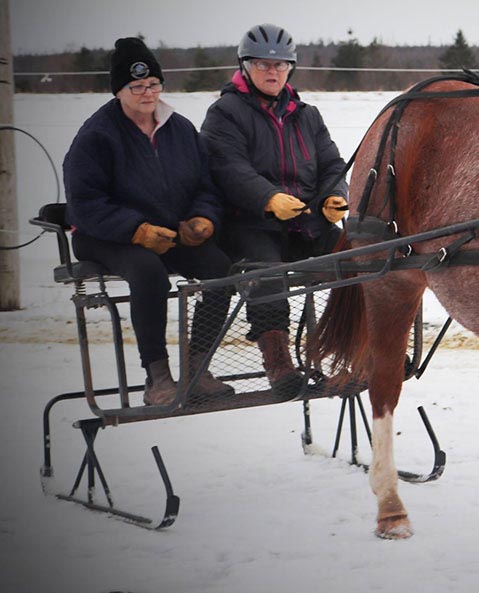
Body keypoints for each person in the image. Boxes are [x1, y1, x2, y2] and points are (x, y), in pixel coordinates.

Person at [63, 37, 235, 406]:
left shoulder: (180, 129)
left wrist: (203, 218)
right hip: (104, 235)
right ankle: (157, 377)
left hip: (169, 231)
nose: (147, 93)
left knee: (221, 269)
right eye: (137, 86)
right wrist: (135, 230)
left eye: (153, 84)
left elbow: (206, 185)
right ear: (119, 90)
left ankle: (197, 366)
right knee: (148, 273)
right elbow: (84, 203)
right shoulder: (97, 135)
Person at [200, 23, 348, 397]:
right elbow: (228, 168)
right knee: (266, 274)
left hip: (307, 224)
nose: (272, 72)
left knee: (360, 260)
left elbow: (332, 164)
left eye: (281, 65)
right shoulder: (225, 113)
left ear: (290, 69)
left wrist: (334, 196)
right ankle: (280, 365)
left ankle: (353, 351)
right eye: (263, 64)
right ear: (245, 66)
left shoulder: (307, 114)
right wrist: (267, 198)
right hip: (249, 224)